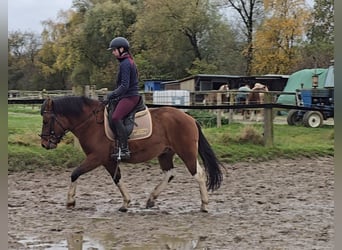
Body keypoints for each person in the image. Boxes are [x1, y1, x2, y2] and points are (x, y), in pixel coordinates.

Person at [106, 36, 140, 160]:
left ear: (121, 49)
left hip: (130, 96)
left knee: (116, 117)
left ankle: (125, 149)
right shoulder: (125, 61)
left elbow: (124, 86)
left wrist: (112, 94)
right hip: (126, 95)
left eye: (114, 50)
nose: (113, 52)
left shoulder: (126, 63)